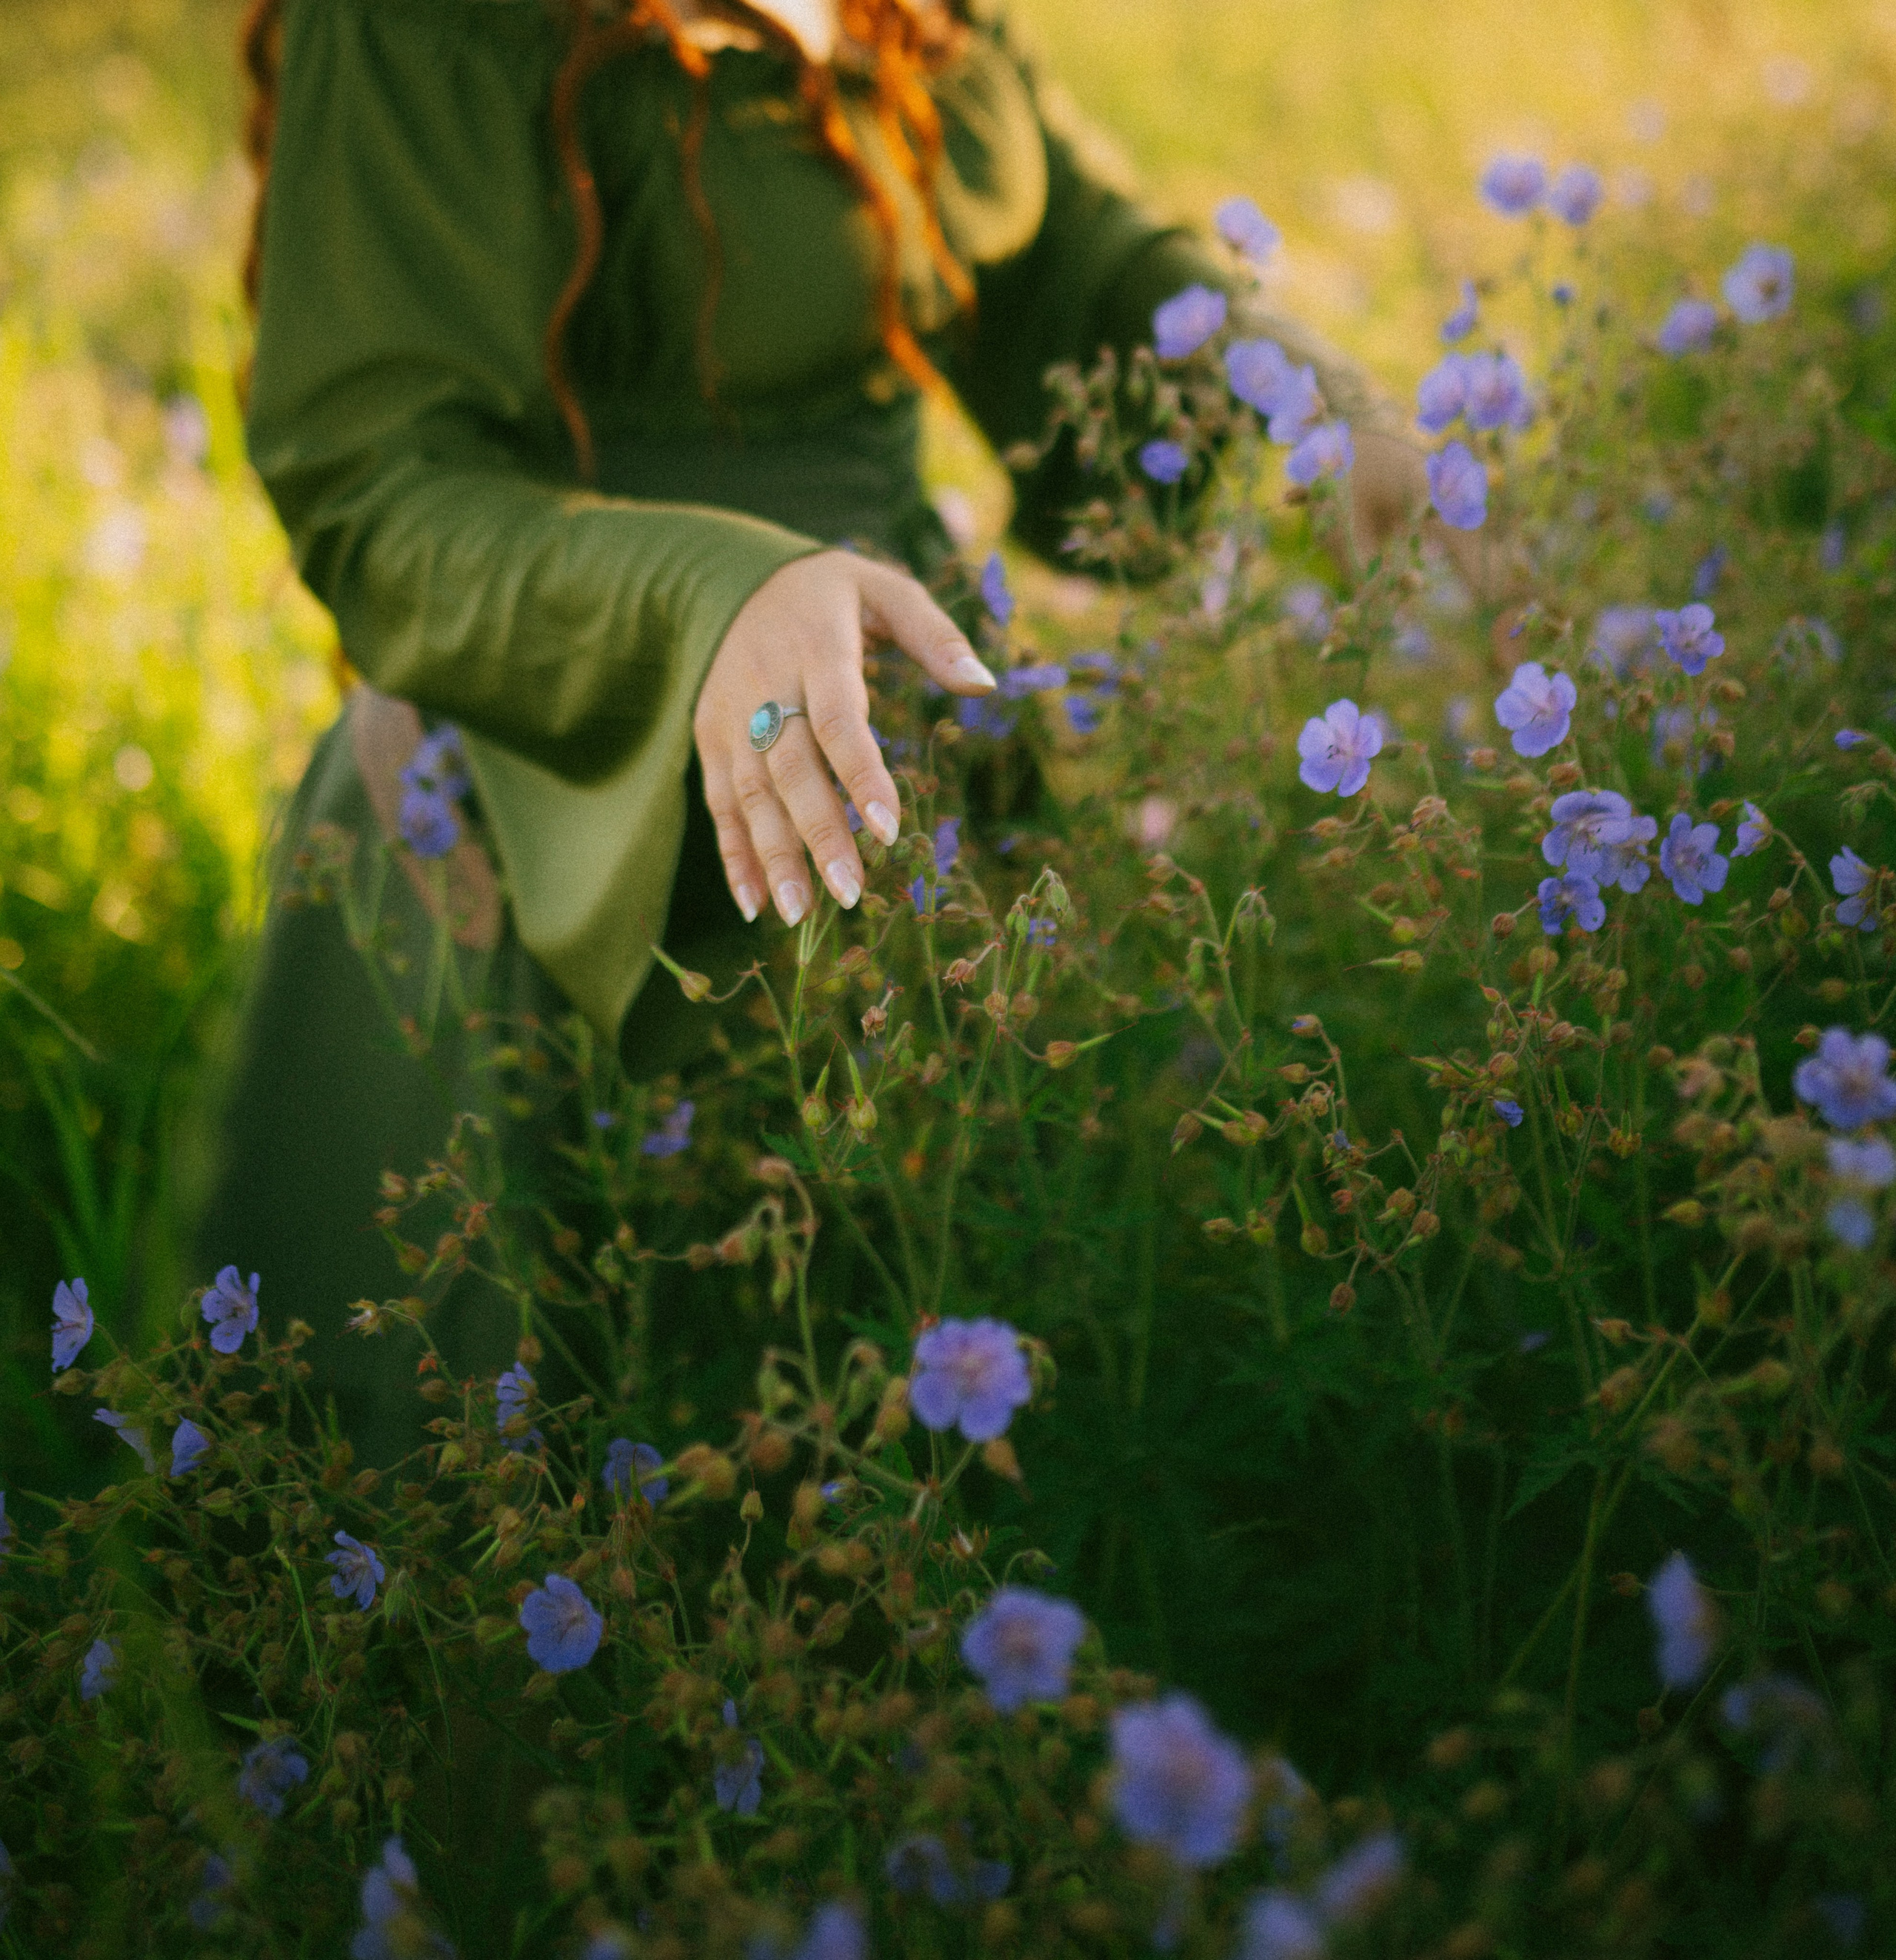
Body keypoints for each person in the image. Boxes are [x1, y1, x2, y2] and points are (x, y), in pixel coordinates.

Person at [198, 0, 1421, 1450]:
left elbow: (1056, 253)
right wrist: (719, 597)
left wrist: (1295, 385)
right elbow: (377, 483)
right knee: (584, 1487)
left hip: (908, 734)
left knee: (984, 1437)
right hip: (558, 774)